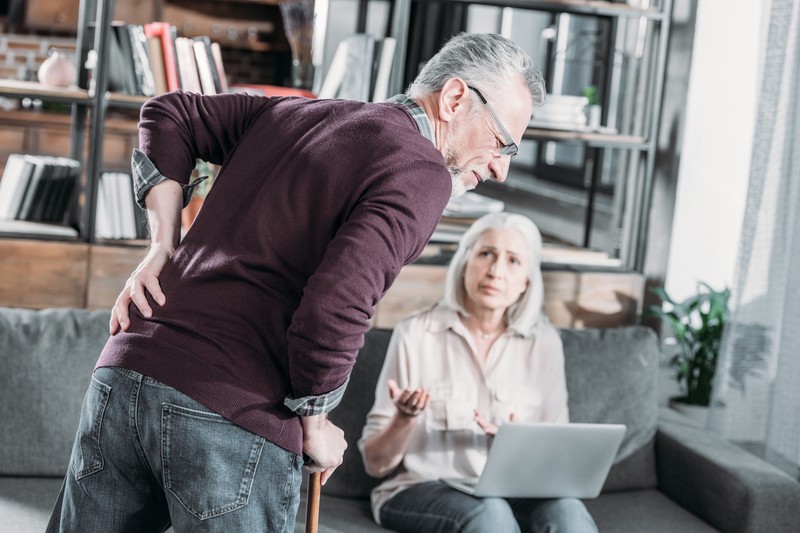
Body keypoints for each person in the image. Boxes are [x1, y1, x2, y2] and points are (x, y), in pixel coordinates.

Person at [46, 33, 544, 532]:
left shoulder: (303, 114)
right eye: (503, 142)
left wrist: (162, 245)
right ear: (455, 98)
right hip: (230, 410)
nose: (501, 167)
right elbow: (336, 307)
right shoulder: (422, 170)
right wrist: (317, 422)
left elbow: (168, 113)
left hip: (125, 372)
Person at [359, 212, 599, 533]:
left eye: (513, 261)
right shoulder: (416, 333)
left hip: (515, 491)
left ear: (527, 280)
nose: (496, 271)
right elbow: (375, 464)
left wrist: (517, 446)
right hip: (421, 487)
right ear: (465, 263)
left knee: (569, 513)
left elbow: (557, 459)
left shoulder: (544, 343)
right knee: (491, 514)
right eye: (486, 254)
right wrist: (404, 418)